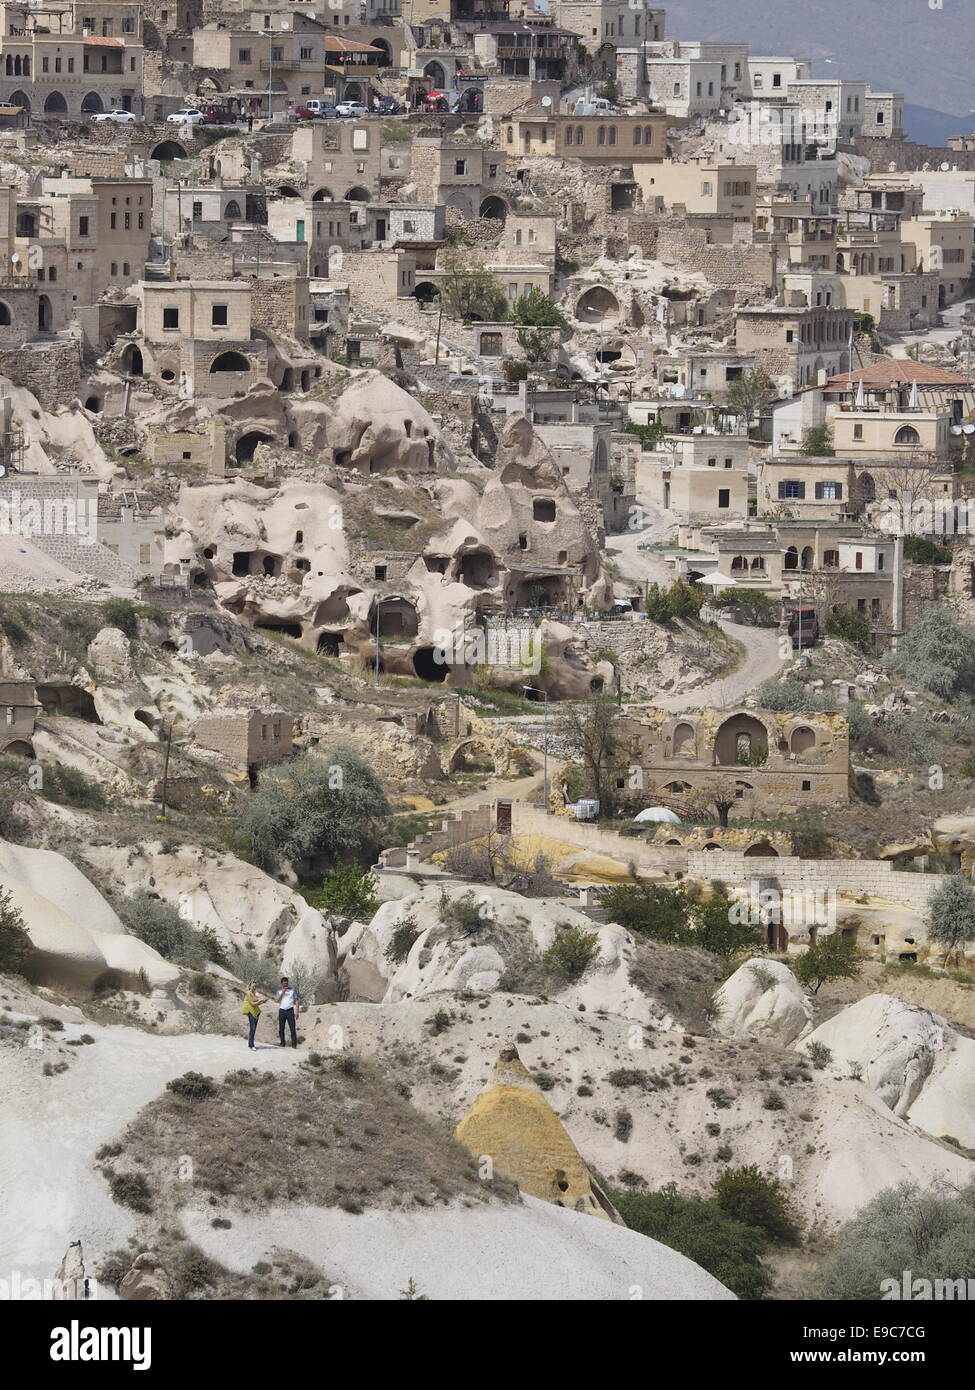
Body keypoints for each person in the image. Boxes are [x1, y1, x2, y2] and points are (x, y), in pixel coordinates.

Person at [275, 976, 300, 1048]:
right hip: (282, 1011)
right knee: (281, 1029)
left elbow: (297, 1000)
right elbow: (277, 1000)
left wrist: (297, 1011)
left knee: (292, 1028)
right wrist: (283, 992)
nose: (285, 985)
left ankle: (294, 1045)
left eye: (286, 983)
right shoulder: (278, 991)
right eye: (284, 984)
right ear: (281, 984)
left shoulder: (292, 991)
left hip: (290, 1011)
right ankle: (282, 1044)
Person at [241, 982, 267, 1049]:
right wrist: (260, 1000)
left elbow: (256, 1004)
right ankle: (251, 1045)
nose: (254, 988)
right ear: (250, 987)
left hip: (255, 1012)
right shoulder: (248, 993)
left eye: (255, 986)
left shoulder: (253, 994)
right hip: (251, 1012)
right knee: (252, 1028)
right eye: (253, 986)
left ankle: (251, 1044)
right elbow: (252, 1004)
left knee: (254, 1028)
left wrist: (263, 1001)